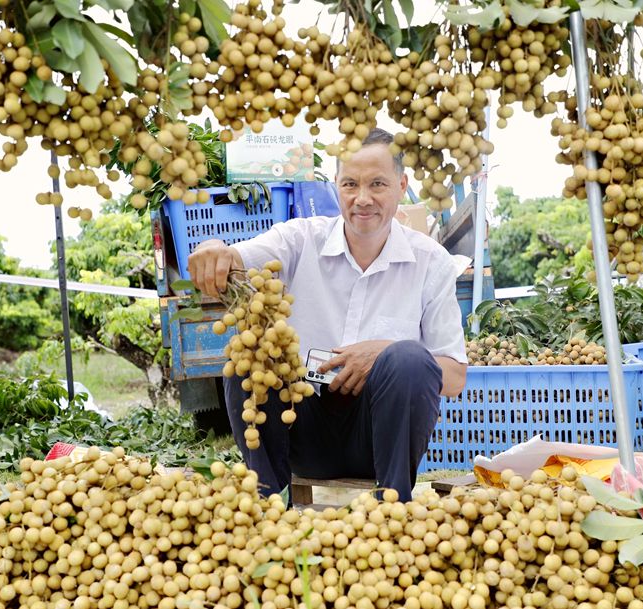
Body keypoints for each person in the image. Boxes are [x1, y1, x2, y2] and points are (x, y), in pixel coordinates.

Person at [187, 128, 467, 501]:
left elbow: (454, 376)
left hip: (377, 440)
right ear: (336, 184)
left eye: (377, 184)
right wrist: (212, 247)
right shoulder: (300, 239)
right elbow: (237, 257)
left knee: (409, 358)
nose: (362, 198)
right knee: (249, 354)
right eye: (350, 184)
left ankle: (394, 508)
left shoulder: (431, 262)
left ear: (401, 185)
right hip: (304, 430)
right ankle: (265, 505)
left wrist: (384, 353)